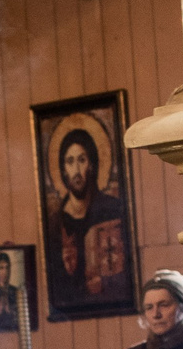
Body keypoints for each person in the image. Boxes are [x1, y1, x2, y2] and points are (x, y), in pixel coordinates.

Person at [44, 120, 132, 309]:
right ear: (63, 170)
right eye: (70, 161)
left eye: (82, 160)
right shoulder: (55, 223)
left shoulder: (112, 209)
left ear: (91, 165)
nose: (76, 170)